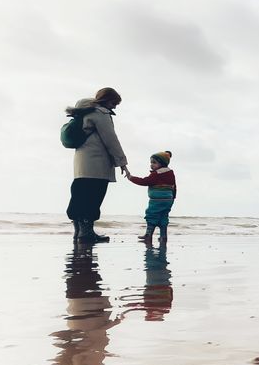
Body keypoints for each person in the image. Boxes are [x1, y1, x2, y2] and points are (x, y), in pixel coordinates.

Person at [65, 87, 128, 244]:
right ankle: (86, 234)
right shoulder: (101, 113)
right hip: (97, 163)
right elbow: (111, 139)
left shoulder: (84, 112)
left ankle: (79, 233)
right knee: (93, 198)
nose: (114, 107)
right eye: (114, 103)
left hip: (81, 164)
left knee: (79, 197)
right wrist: (122, 162)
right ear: (106, 100)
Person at [124, 151, 177, 246]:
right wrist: (173, 198)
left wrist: (131, 178)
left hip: (156, 200)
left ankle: (148, 235)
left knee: (152, 215)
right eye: (151, 162)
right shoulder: (170, 173)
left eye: (154, 162)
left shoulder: (157, 174)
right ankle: (163, 236)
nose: (151, 165)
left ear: (162, 163)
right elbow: (174, 186)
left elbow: (145, 181)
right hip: (168, 199)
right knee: (163, 217)